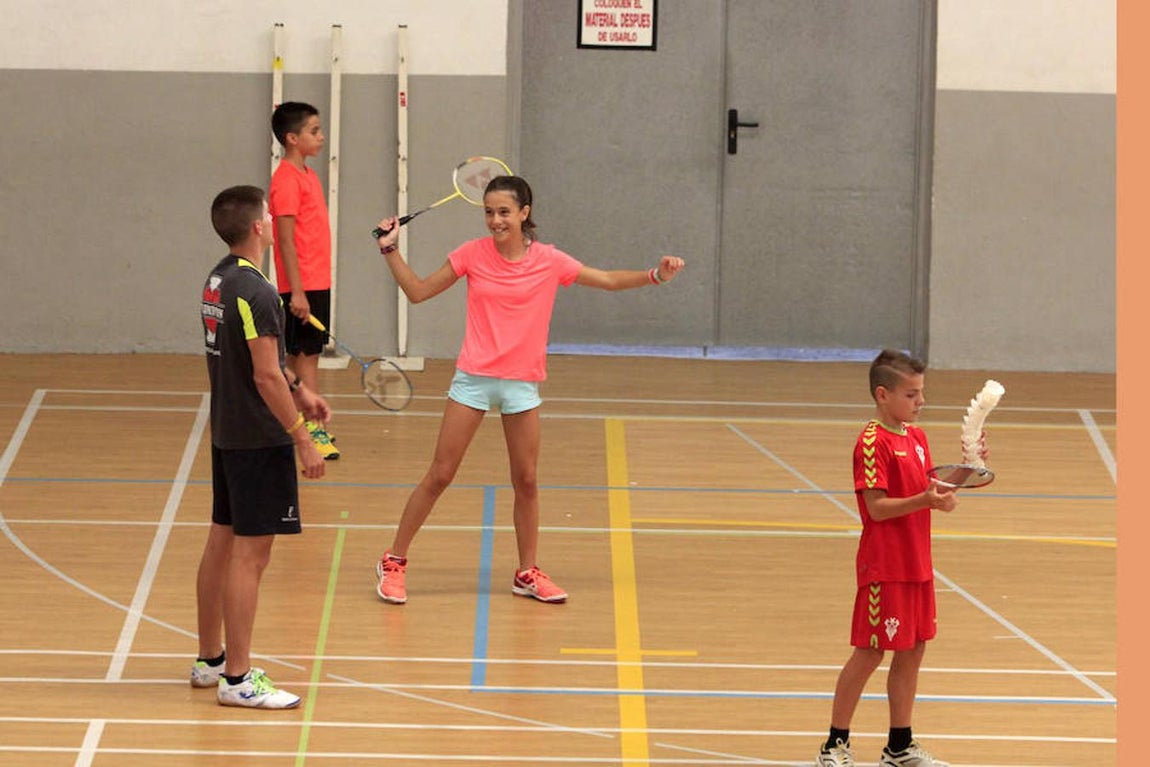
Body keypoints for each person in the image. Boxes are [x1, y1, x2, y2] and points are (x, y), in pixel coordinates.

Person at [371, 175, 685, 605]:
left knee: (527, 480)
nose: (495, 220)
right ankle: (394, 560)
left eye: (504, 212)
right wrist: (389, 249)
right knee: (441, 474)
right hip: (474, 379)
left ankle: (527, 572)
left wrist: (656, 276)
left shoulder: (549, 260)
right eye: (489, 212)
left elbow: (608, 280)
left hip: (521, 383)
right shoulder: (471, 254)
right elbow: (419, 291)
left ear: (524, 213)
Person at [192, 184, 331, 709]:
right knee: (251, 556)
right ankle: (238, 679)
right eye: (269, 215)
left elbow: (260, 364)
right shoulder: (258, 292)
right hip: (258, 438)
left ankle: (210, 660)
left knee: (221, 541)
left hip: (228, 430)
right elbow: (266, 375)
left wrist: (302, 389)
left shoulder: (218, 280)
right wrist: (303, 437)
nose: (273, 221)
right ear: (257, 227)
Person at [816, 349, 987, 767]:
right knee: (870, 652)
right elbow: (876, 508)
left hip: (918, 565)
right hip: (885, 567)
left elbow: (934, 492)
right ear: (882, 395)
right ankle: (835, 744)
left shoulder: (917, 438)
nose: (920, 401)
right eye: (911, 395)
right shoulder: (871, 443)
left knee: (912, 651)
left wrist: (967, 469)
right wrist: (925, 500)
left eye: (921, 393)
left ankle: (899, 747)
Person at [269, 101, 339, 459]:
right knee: (306, 359)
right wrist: (296, 291)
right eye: (314, 131)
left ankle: (297, 427)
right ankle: (314, 432)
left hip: (315, 281)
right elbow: (284, 239)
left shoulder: (308, 175)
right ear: (292, 138)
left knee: (301, 358)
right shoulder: (285, 180)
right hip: (302, 285)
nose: (321, 136)